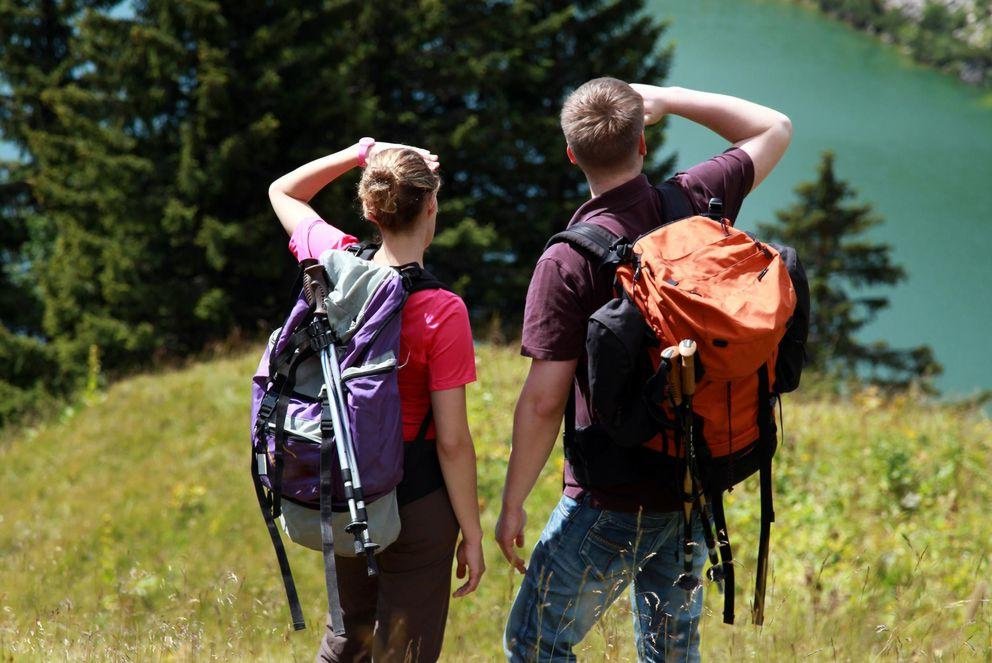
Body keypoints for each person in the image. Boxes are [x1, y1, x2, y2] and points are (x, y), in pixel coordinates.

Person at [496, 79, 793, 662]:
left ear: (572, 154)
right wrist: (667, 98)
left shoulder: (567, 260)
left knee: (535, 645)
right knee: (669, 654)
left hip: (609, 495)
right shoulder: (694, 200)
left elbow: (542, 402)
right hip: (695, 483)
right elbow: (773, 126)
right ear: (643, 145)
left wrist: (512, 504)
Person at [268, 139, 485, 662]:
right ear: (431, 206)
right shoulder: (443, 310)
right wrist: (472, 535)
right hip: (417, 500)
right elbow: (452, 442)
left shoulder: (335, 264)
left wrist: (359, 152)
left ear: (368, 210)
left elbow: (283, 190)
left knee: (347, 636)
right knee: (403, 652)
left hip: (346, 481)